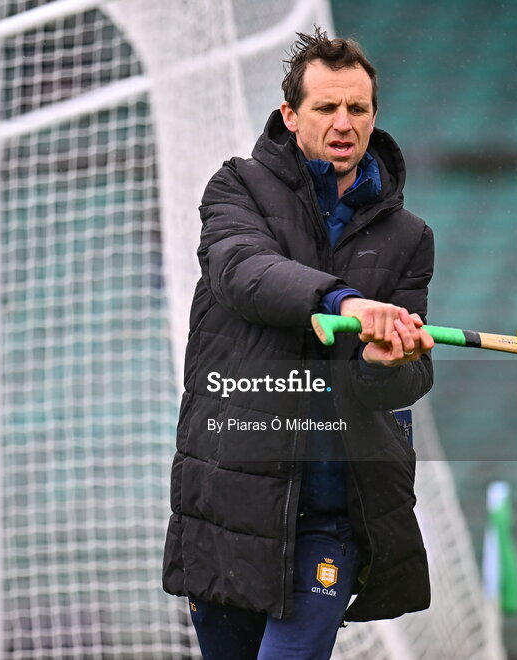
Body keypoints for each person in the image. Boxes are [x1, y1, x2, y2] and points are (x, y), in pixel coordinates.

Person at [163, 28, 435, 659]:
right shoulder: (236, 188)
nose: (344, 122)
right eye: (326, 107)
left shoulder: (408, 237)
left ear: (373, 116)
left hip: (333, 514)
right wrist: (344, 302)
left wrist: (385, 359)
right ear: (290, 115)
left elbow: (408, 381)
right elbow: (244, 272)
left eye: (358, 109)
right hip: (232, 502)